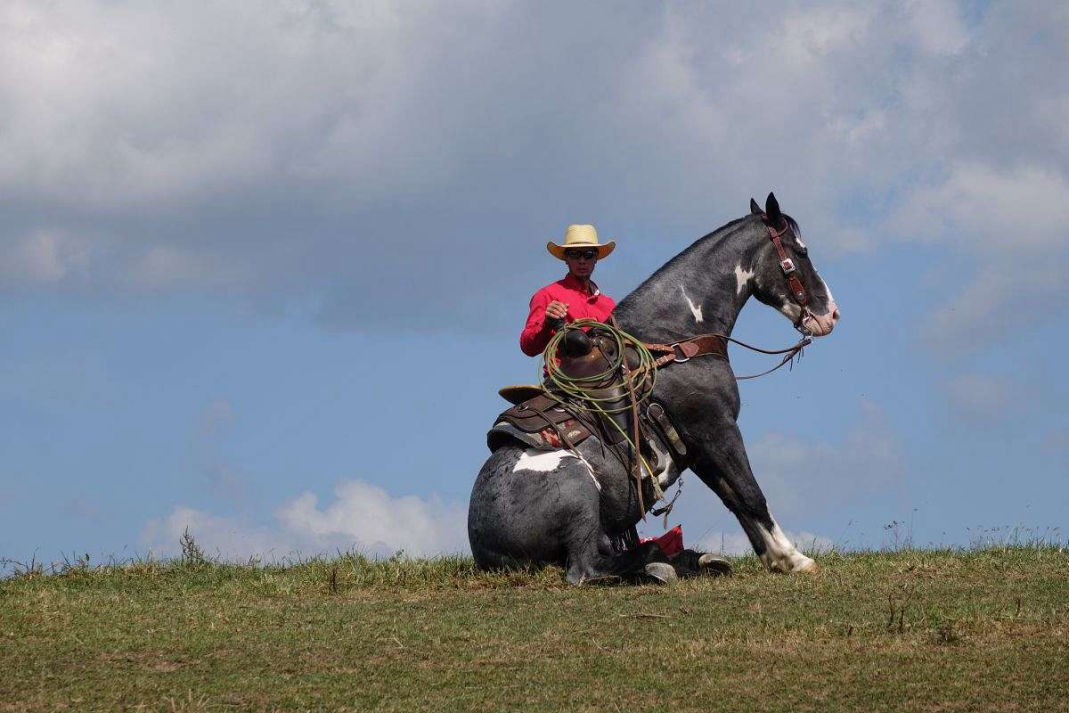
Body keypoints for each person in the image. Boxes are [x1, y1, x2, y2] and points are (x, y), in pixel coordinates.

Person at [520, 224, 616, 357]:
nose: (582, 261)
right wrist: (547, 324)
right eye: (575, 254)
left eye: (588, 255)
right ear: (566, 259)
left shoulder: (609, 305)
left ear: (596, 259)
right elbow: (528, 347)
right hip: (564, 374)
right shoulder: (547, 295)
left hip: (606, 373)